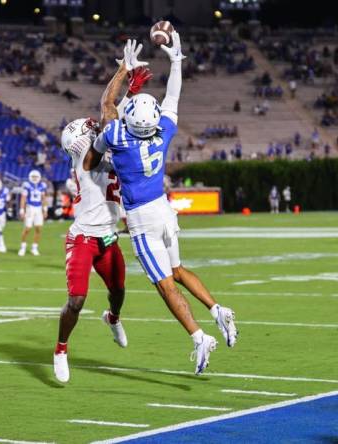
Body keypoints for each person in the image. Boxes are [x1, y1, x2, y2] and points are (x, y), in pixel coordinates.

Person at [93, 31, 237, 375]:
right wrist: (175, 60)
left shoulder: (118, 136)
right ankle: (218, 310)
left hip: (142, 219)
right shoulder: (165, 130)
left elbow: (107, 106)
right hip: (164, 209)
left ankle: (199, 336)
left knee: (164, 285)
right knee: (177, 270)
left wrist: (124, 72)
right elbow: (172, 94)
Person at [53, 40, 151, 383]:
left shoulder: (105, 142)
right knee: (77, 299)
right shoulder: (84, 154)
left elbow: (114, 117)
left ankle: (112, 317)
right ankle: (61, 348)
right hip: (83, 237)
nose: (92, 125)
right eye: (87, 127)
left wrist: (132, 89)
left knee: (119, 292)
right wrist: (124, 72)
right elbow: (108, 108)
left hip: (109, 237)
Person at [18, 170, 47, 256]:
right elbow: (23, 198)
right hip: (30, 208)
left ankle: (34, 248)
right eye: (33, 177)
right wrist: (22, 210)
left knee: (38, 229)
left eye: (36, 177)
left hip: (38, 209)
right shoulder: (27, 185)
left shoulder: (42, 185)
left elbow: (43, 198)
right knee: (27, 228)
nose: (34, 178)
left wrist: (45, 209)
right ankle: (23, 247)